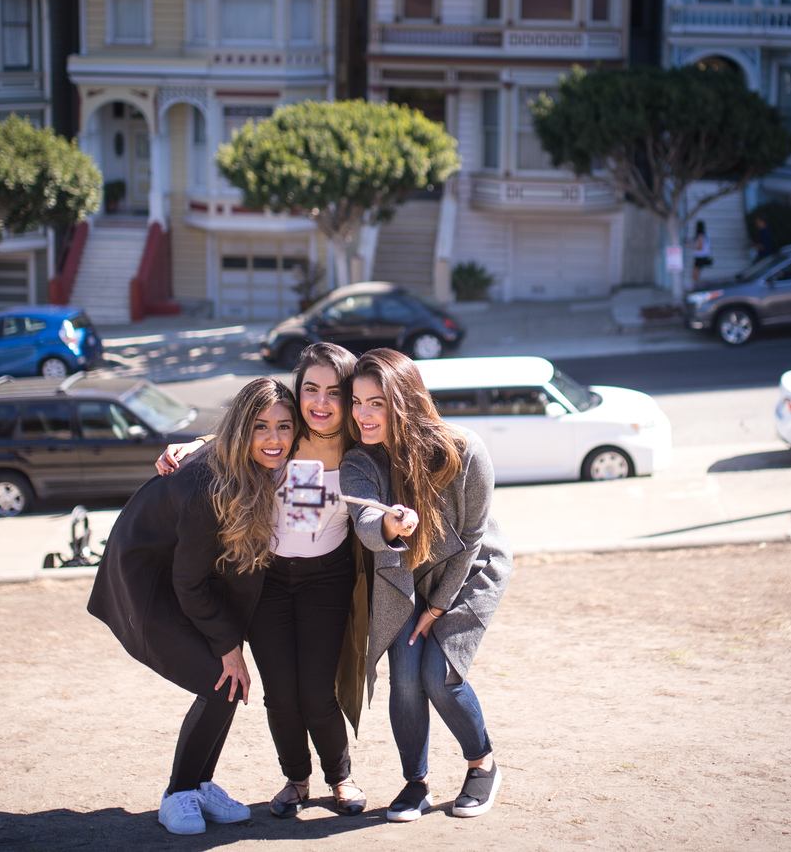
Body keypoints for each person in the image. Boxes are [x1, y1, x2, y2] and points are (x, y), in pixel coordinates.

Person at [157, 343, 372, 818]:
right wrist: (193, 446)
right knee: (280, 691)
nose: (320, 402)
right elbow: (243, 434)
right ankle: (295, 779)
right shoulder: (287, 434)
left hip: (327, 579)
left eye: (333, 392)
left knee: (318, 690)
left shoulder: (362, 447)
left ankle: (341, 777)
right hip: (268, 580)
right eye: (310, 390)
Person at [88, 377, 297, 836]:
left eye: (284, 427)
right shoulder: (212, 483)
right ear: (242, 429)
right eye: (261, 427)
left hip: (186, 575)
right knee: (220, 678)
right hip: (148, 583)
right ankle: (178, 793)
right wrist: (228, 645)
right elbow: (188, 580)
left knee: (227, 686)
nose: (275, 439)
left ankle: (200, 784)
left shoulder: (257, 465)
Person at [342, 348, 512, 823]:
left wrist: (437, 609)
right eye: (357, 402)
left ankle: (483, 764)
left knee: (440, 674)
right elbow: (365, 519)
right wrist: (392, 527)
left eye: (376, 403)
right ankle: (414, 783)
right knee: (407, 679)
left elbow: (474, 538)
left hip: (469, 571)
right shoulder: (359, 460)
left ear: (405, 401)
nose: (362, 414)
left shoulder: (464, 448)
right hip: (400, 579)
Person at [690, 220, 713, 288]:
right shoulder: (706, 235)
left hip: (700, 257)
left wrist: (690, 246)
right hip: (704, 256)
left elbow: (700, 247)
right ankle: (696, 286)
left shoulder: (700, 236)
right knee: (696, 274)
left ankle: (696, 287)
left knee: (695, 275)